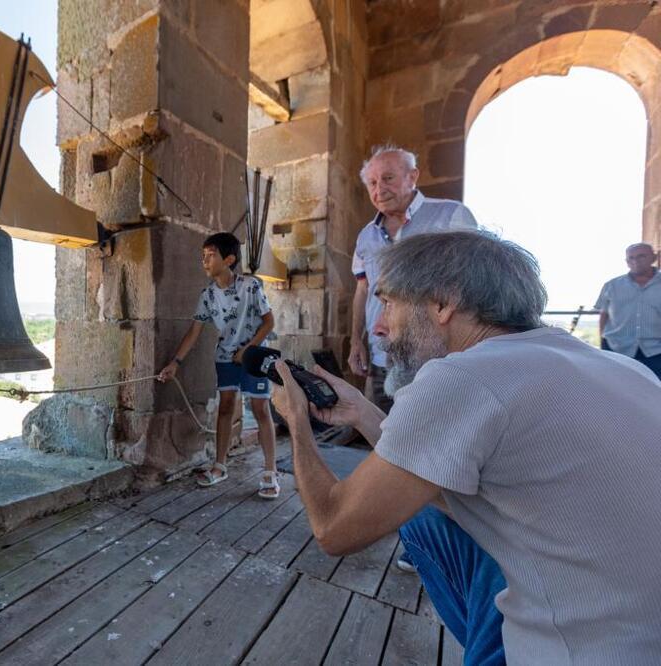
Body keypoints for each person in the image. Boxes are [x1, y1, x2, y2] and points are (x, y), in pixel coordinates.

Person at [273, 231, 661, 665]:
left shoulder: (463, 377)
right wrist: (363, 412)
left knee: (420, 522)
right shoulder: (620, 367)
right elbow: (430, 462)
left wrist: (297, 423)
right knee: (424, 517)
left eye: (390, 302)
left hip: (586, 651)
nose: (380, 326)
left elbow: (334, 528)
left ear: (442, 303)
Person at [350, 144, 478, 412]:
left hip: (433, 356)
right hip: (382, 354)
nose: (379, 189)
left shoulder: (451, 217)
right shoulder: (365, 236)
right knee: (384, 435)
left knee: (431, 437)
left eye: (388, 178)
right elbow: (362, 290)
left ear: (412, 176)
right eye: (372, 183)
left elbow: (470, 286)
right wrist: (355, 340)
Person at [158, 232, 280, 498]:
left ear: (229, 259)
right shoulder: (207, 295)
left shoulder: (251, 286)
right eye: (202, 256)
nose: (204, 260)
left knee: (260, 408)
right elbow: (194, 331)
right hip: (225, 357)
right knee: (225, 408)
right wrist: (175, 363)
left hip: (255, 358)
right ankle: (220, 465)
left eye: (210, 255)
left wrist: (248, 350)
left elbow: (269, 322)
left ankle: (270, 471)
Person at [595, 242, 661, 379]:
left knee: (656, 392)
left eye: (641, 256)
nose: (635, 261)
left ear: (654, 258)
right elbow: (604, 315)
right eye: (631, 258)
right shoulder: (611, 285)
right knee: (616, 390)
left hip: (656, 350)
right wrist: (602, 341)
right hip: (617, 349)